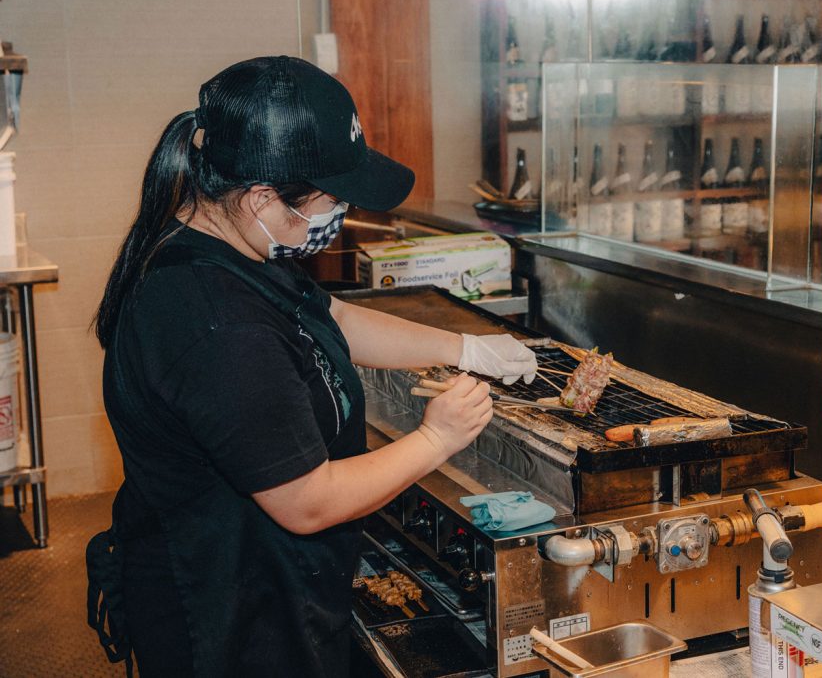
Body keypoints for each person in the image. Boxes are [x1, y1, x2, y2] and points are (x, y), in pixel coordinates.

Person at [86, 56, 537, 677]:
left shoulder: (233, 243)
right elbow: (307, 500)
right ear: (262, 196)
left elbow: (334, 320)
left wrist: (461, 347)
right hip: (230, 616)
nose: (341, 214)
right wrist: (437, 437)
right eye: (335, 199)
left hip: (265, 581)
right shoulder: (214, 323)